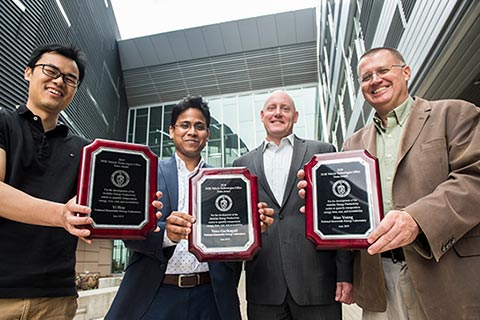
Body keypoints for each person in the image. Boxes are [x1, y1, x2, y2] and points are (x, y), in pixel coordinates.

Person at [299, 47, 480, 319]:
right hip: (379, 281)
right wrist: (320, 203)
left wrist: (417, 219)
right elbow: (349, 206)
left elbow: (473, 178)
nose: (375, 80)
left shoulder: (453, 114)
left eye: (383, 71)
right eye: (366, 77)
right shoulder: (353, 143)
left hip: (444, 273)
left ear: (405, 72)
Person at [106, 96, 274, 320]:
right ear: (172, 130)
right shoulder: (148, 172)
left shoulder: (227, 181)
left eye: (199, 126)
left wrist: (252, 227)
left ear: (207, 134)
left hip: (211, 296)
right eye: (185, 125)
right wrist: (166, 235)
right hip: (157, 293)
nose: (192, 132)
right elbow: (129, 234)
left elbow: (233, 239)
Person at [232, 90, 353, 320]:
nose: (278, 113)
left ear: (295, 116)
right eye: (272, 108)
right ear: (262, 115)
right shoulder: (242, 164)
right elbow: (239, 228)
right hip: (264, 287)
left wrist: (345, 273)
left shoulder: (322, 151)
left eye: (285, 109)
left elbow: (339, 217)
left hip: (317, 285)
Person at [0, 44, 95, 319]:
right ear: (28, 72)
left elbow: (91, 210)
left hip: (56, 298)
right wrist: (61, 214)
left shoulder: (85, 149)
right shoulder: (4, 123)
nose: (58, 81)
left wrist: (139, 210)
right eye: (51, 71)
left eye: (69, 78)